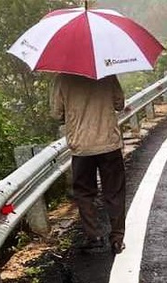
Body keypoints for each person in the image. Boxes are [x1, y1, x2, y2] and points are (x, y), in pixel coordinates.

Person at [50, 73, 127, 255]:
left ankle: (93, 236)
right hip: (109, 143)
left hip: (81, 146)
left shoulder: (63, 79)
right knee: (114, 191)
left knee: (84, 193)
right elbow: (119, 104)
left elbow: (56, 113)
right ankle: (117, 239)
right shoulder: (107, 73)